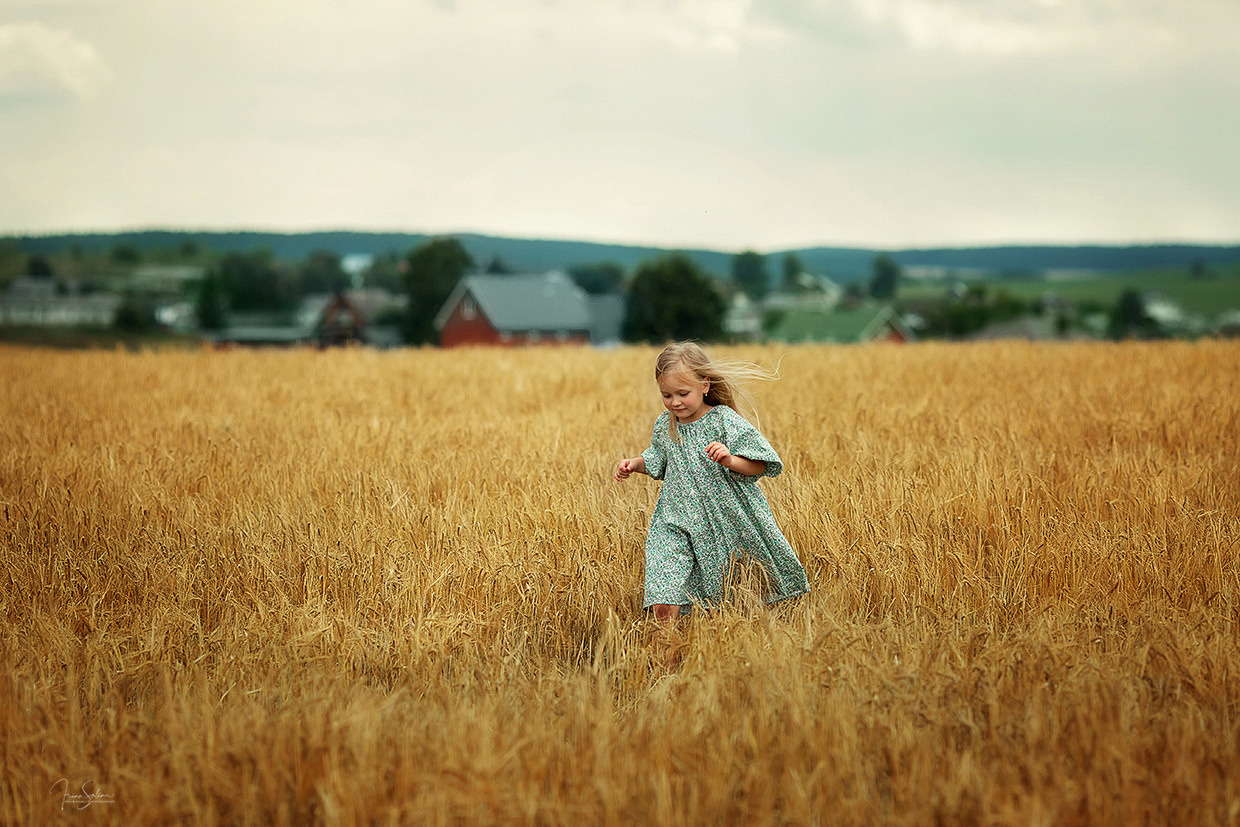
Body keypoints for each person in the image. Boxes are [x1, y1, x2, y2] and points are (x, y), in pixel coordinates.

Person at [614, 341, 810, 632]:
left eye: (683, 393)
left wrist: (730, 459)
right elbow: (657, 459)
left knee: (735, 597)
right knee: (663, 601)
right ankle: (665, 665)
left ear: (705, 385)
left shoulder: (724, 420)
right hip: (674, 522)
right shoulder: (665, 424)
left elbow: (761, 464)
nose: (675, 402)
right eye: (666, 395)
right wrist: (634, 463)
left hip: (723, 521)